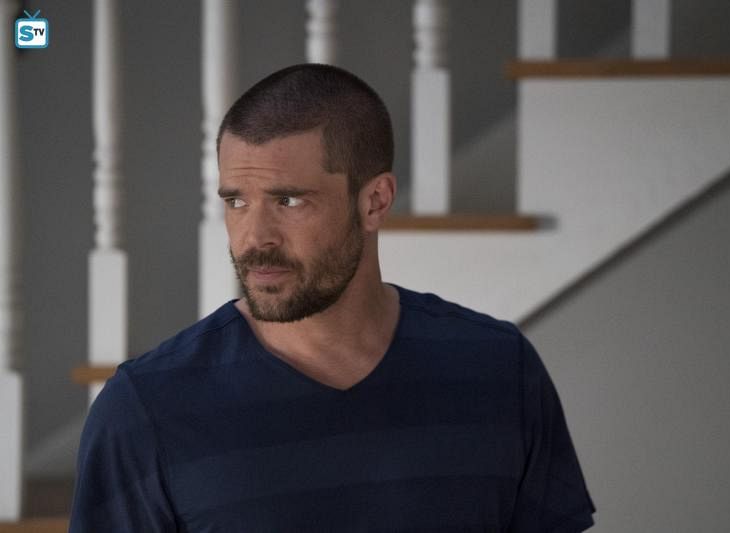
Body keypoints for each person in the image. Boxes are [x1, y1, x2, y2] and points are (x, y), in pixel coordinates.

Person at [69, 64, 595, 532]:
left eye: (288, 200)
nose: (254, 238)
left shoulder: (500, 369)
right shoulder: (145, 410)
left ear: (375, 201)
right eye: (236, 201)